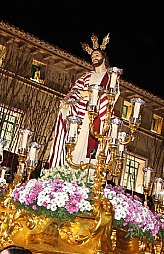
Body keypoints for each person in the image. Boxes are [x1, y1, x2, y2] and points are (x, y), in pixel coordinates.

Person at [48, 33, 118, 168]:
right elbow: (74, 92)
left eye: (97, 55)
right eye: (92, 56)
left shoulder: (110, 77)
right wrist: (67, 103)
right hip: (82, 115)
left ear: (103, 57)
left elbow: (111, 96)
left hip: (99, 118)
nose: (94, 58)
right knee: (77, 146)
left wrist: (90, 94)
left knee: (93, 151)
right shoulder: (86, 78)